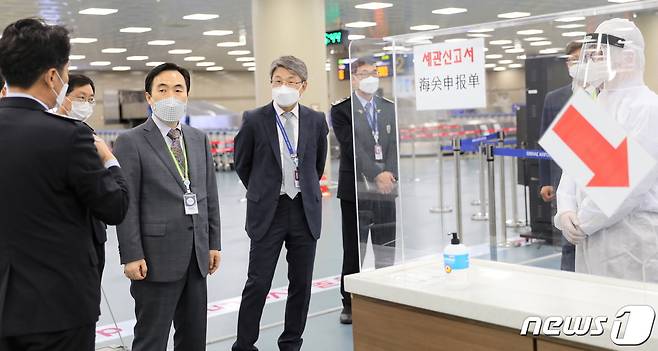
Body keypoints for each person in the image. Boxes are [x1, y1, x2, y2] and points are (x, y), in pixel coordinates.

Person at [0, 18, 129, 351]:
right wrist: (110, 161)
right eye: (67, 71)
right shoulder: (67, 136)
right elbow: (114, 206)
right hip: (57, 309)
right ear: (52, 75)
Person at [113, 63, 222, 351]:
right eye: (162, 90)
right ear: (149, 97)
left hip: (196, 257)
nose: (171, 96)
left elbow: (208, 195)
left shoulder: (198, 139)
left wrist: (213, 243)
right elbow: (127, 204)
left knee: (194, 338)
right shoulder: (130, 141)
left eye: (178, 89)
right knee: (152, 339)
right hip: (155, 259)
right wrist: (132, 254)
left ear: (187, 96)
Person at [232, 56, 328, 351]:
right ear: (270, 84)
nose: (283, 86)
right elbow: (242, 163)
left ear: (303, 86)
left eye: (290, 81)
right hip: (268, 211)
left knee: (301, 284)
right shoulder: (254, 119)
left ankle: (290, 343)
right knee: (258, 283)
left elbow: (318, 164)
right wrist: (264, 191)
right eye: (278, 81)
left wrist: (303, 188)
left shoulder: (315, 120)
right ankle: (244, 345)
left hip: (303, 210)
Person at [555, 18, 658, 282]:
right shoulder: (593, 102)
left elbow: (626, 185)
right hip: (589, 238)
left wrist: (583, 222)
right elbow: (572, 169)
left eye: (600, 55)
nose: (591, 63)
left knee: (630, 316)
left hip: (629, 240)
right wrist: (565, 210)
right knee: (593, 312)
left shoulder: (648, 108)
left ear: (629, 58)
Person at [330, 57, 398, 324]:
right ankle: (349, 303)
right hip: (355, 190)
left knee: (386, 246)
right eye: (364, 73)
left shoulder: (388, 108)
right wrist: (376, 173)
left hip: (386, 190)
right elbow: (350, 146)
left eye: (374, 72)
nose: (370, 77)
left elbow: (394, 145)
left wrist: (389, 174)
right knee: (354, 250)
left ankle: (386, 296)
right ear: (354, 78)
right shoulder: (341, 111)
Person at [538, 41, 582, 272]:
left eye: (581, 59)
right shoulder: (554, 98)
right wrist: (546, 179)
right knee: (569, 240)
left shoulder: (605, 94)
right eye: (572, 60)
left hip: (595, 180)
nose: (576, 64)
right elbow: (546, 142)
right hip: (562, 179)